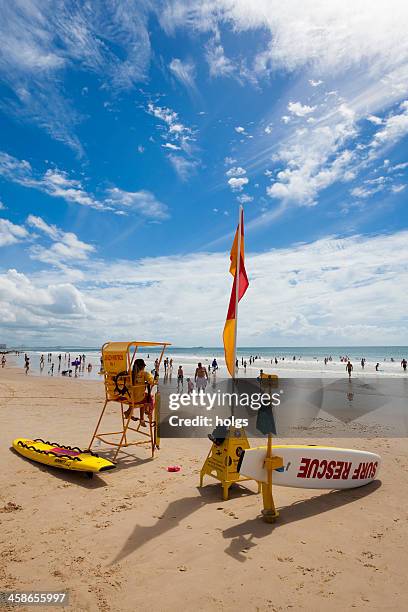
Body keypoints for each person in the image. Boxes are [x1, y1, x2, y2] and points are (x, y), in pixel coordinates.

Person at [124, 358, 156, 427]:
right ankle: (147, 413)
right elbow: (153, 381)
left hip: (129, 398)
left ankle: (129, 412)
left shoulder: (129, 373)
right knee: (149, 397)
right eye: (144, 366)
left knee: (138, 394)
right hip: (138, 399)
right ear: (142, 366)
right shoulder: (145, 374)